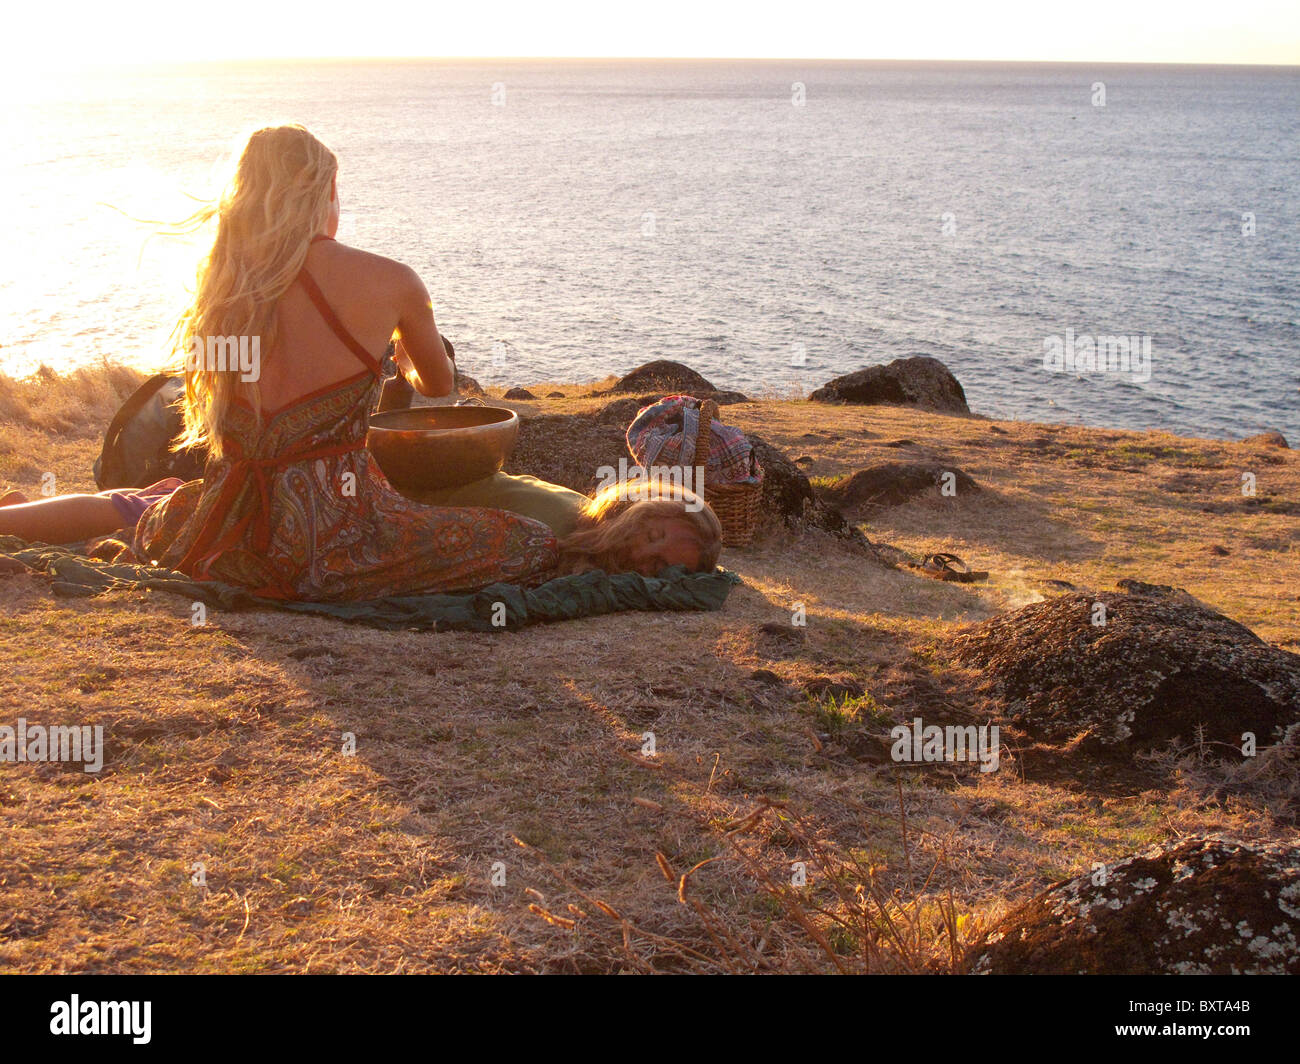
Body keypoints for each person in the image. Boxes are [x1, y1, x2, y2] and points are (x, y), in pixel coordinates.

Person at [0, 125, 723, 596]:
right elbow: (436, 385)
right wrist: (392, 356)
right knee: (523, 541)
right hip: (339, 527)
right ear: (325, 195)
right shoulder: (391, 279)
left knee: (147, 506)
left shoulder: (225, 287)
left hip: (232, 515)